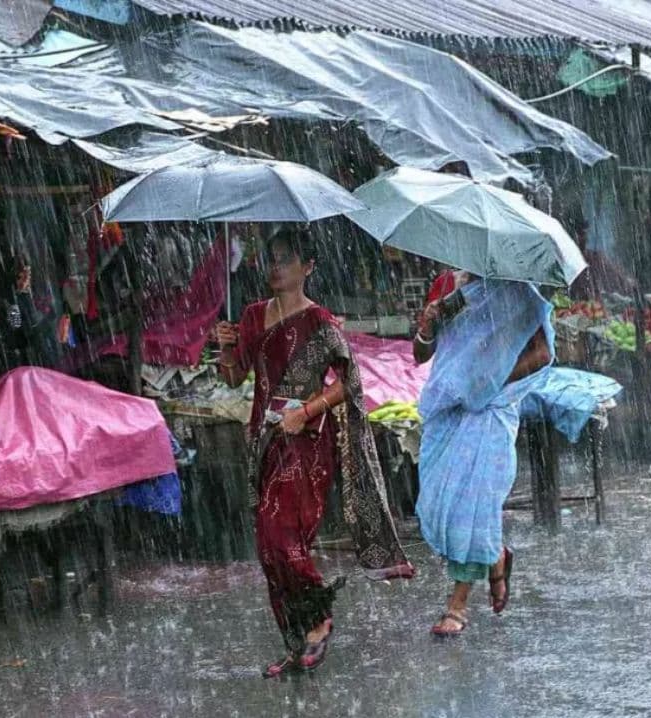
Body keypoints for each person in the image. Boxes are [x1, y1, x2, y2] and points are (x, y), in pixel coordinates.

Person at [215, 228, 414, 677]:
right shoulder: (251, 316)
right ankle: (295, 640)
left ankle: (319, 617)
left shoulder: (320, 322)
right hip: (264, 442)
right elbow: (232, 378)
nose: (275, 267)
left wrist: (306, 410)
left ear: (308, 268)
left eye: (286, 259)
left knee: (282, 535)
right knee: (268, 548)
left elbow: (349, 384)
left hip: (305, 444)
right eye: (271, 259)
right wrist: (226, 348)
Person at [414, 270, 554, 636]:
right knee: (437, 503)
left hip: (491, 411)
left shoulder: (521, 292)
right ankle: (495, 557)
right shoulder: (448, 287)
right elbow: (421, 354)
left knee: (472, 505)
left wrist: (492, 380)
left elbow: (543, 352)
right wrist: (427, 325)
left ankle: (457, 604)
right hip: (448, 410)